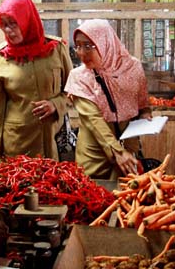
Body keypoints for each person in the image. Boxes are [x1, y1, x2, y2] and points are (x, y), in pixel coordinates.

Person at [0, 0, 73, 164]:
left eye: (13, 23)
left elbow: (73, 91)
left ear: (26, 19)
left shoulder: (56, 50)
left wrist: (56, 104)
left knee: (48, 185)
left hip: (50, 139)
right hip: (15, 143)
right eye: (4, 25)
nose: (8, 30)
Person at [64, 19, 151, 179]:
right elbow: (93, 120)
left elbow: (142, 103)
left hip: (129, 152)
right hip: (94, 157)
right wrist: (118, 151)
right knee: (93, 196)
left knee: (127, 197)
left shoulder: (133, 68)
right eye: (78, 46)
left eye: (88, 46)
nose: (81, 53)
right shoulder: (79, 77)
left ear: (105, 43)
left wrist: (145, 114)